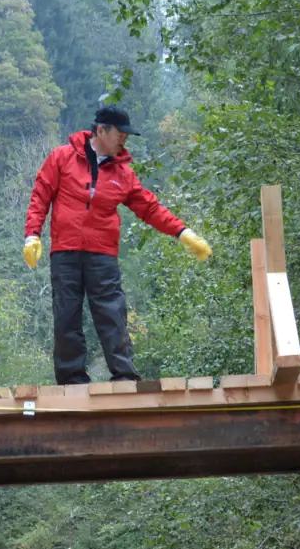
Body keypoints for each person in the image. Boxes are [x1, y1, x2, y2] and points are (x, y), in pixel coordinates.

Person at [23, 106, 212, 386]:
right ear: (101, 130)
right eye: (120, 134)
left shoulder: (123, 173)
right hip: (66, 252)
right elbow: (41, 195)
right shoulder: (62, 158)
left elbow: (150, 207)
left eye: (127, 136)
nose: (124, 140)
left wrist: (183, 232)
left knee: (112, 314)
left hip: (103, 255)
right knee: (66, 316)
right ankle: (72, 380)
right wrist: (32, 235)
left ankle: (124, 377)